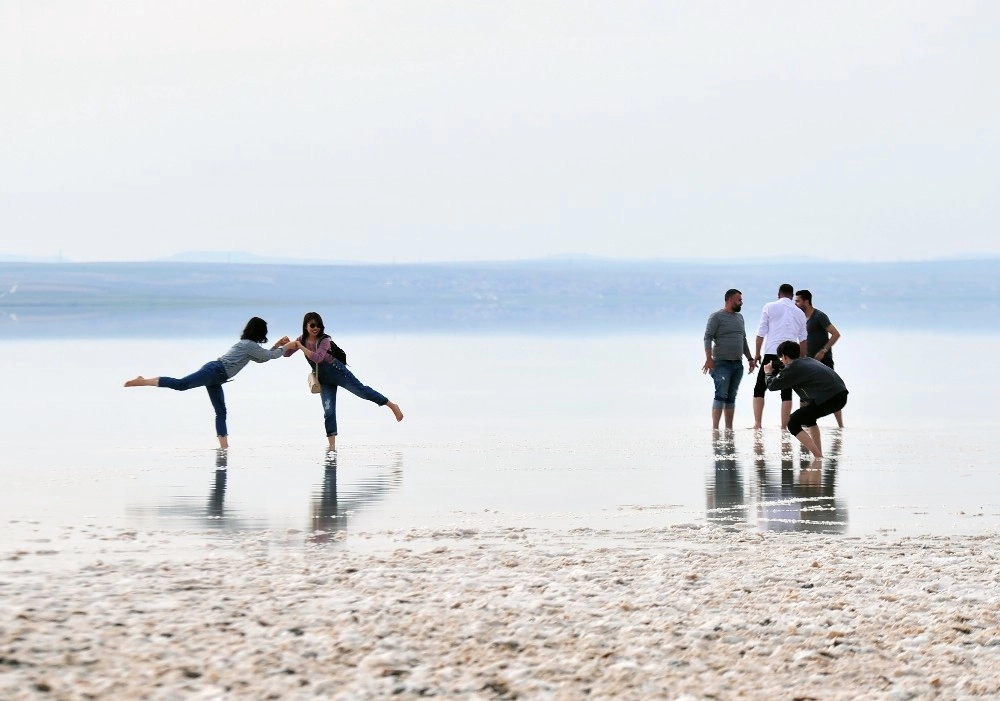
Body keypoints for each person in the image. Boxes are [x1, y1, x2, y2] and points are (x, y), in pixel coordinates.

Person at [124, 316, 291, 448]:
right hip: (214, 371)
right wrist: (288, 346)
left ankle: (224, 448)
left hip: (218, 376)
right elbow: (269, 356)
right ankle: (143, 381)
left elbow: (262, 359)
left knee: (221, 412)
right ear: (259, 331)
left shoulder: (250, 345)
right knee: (182, 385)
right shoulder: (248, 345)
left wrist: (278, 345)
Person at [285, 312, 403, 450]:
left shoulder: (324, 340)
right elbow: (287, 354)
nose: (315, 327)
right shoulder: (301, 339)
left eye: (318, 325)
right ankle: (332, 446)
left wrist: (300, 347)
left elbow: (318, 358)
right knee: (328, 411)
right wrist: (285, 344)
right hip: (323, 379)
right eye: (312, 325)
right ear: (305, 326)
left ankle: (392, 405)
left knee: (363, 392)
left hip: (338, 371)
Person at [763, 340, 849, 458]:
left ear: (784, 356)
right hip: (841, 395)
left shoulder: (793, 368)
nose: (781, 360)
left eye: (781, 358)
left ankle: (818, 455)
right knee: (809, 419)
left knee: (792, 422)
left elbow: (772, 386)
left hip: (830, 398)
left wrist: (768, 373)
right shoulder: (808, 360)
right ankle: (819, 454)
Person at [752, 283, 807, 430]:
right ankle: (784, 427)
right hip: (791, 356)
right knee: (786, 391)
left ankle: (758, 424)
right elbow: (803, 340)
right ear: (792, 295)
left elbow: (760, 333)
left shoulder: (769, 307)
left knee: (760, 388)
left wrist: (757, 354)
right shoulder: (800, 313)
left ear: (779, 294)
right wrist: (802, 359)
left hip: (771, 353)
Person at [703, 289, 757, 430]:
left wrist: (750, 358)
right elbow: (708, 337)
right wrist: (709, 359)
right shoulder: (716, 317)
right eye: (739, 299)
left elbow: (742, 339)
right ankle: (715, 429)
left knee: (731, 396)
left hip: (737, 363)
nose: (741, 302)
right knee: (721, 394)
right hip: (721, 363)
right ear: (730, 299)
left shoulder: (740, 318)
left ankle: (729, 429)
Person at [794, 289, 844, 427]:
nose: (795, 303)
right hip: (807, 361)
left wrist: (823, 350)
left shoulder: (819, 316)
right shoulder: (800, 318)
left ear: (806, 301)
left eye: (797, 301)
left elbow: (835, 334)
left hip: (824, 360)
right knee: (804, 391)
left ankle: (840, 426)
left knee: (832, 392)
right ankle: (804, 422)